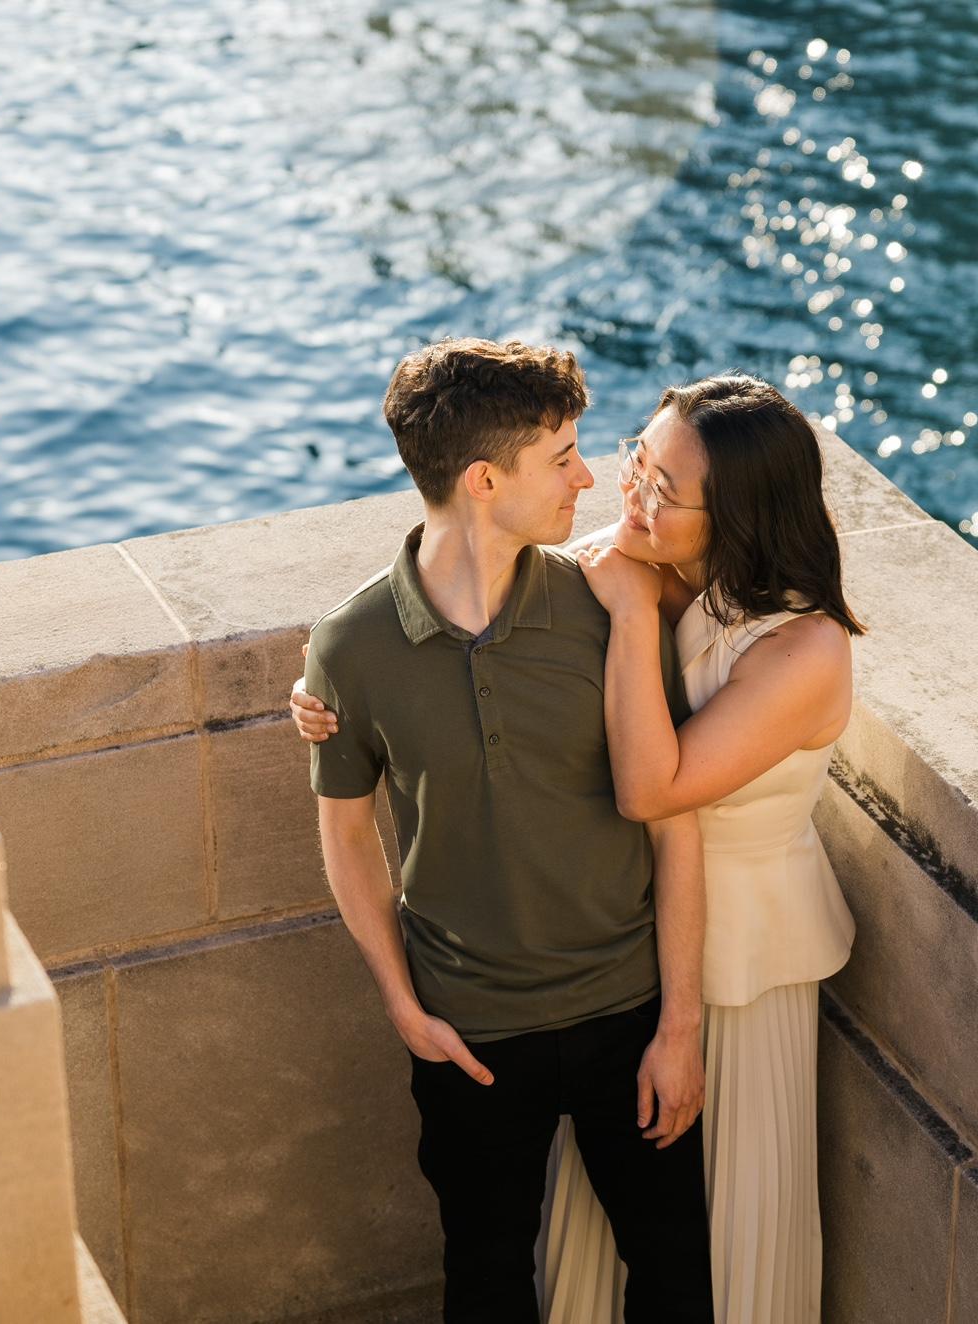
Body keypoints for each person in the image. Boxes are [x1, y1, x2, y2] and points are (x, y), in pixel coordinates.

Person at [294, 371, 862, 1324]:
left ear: (735, 516)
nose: (607, 486)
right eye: (607, 460)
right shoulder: (600, 575)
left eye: (654, 484)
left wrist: (673, 1025)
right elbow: (353, 806)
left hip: (676, 981)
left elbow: (659, 800)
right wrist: (323, 694)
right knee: (507, 1269)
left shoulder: (647, 610)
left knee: (694, 1259)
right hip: (501, 1013)